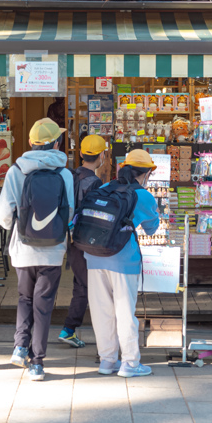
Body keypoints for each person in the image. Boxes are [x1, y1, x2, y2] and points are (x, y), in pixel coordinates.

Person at [0, 118, 75, 382]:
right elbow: (70, 211)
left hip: (24, 248)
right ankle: (37, 363)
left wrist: (15, 226)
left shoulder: (16, 171)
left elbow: (4, 214)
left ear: (30, 142)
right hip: (53, 249)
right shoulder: (64, 173)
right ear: (56, 143)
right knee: (43, 304)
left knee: (24, 298)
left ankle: (20, 346)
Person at [86, 149, 161, 378]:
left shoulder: (104, 188)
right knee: (125, 311)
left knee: (101, 311)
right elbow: (151, 229)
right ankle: (129, 362)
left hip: (93, 255)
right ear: (147, 173)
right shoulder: (144, 196)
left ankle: (107, 361)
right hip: (123, 258)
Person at [58, 134, 107, 349]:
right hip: (86, 239)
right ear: (102, 156)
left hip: (70, 238)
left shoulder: (70, 174)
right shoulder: (95, 182)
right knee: (85, 286)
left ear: (80, 154)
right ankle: (69, 329)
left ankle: (69, 329)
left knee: (82, 284)